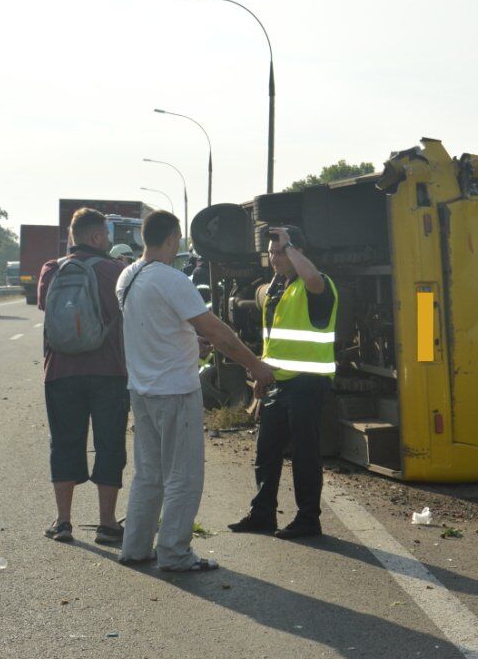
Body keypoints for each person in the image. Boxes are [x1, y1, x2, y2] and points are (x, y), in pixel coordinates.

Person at [116, 211, 275, 571]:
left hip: (142, 390)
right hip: (175, 390)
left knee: (148, 474)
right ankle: (174, 553)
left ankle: (136, 547)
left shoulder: (128, 276)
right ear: (172, 239)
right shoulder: (172, 280)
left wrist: (191, 342)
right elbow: (220, 333)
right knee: (183, 477)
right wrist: (256, 365)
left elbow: (156, 329)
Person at [229, 225, 337, 539]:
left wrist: (290, 245)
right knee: (267, 452)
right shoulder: (281, 289)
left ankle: (308, 520)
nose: (275, 259)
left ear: (297, 252)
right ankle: (262, 515)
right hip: (279, 383)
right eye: (273, 252)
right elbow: (275, 341)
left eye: (281, 252)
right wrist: (263, 376)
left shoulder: (317, 284)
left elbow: (314, 279)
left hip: (308, 383)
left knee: (304, 455)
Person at [37, 208, 128, 545]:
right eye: (105, 234)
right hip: (108, 373)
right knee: (109, 445)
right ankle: (107, 524)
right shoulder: (114, 271)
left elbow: (48, 310)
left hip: (60, 372)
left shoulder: (50, 269)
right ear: (96, 237)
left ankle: (63, 522)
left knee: (64, 443)